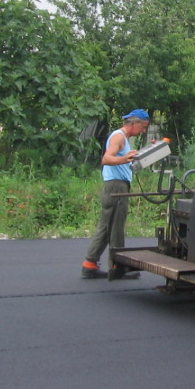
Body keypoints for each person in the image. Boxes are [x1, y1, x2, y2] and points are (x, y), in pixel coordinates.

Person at [81, 109, 150, 279]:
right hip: (115, 186)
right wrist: (124, 159)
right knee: (116, 227)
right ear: (134, 123)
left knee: (107, 227)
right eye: (143, 127)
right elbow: (106, 159)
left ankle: (90, 265)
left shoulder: (124, 139)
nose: (143, 131)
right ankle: (118, 266)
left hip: (117, 185)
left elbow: (123, 157)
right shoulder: (118, 136)